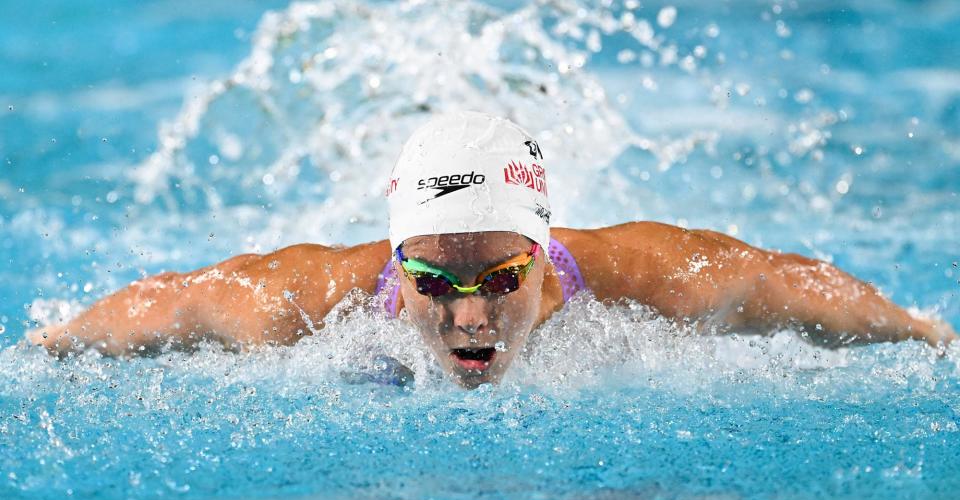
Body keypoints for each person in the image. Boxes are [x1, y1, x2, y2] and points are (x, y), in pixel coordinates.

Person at [28, 112, 956, 387]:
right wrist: (44, 349)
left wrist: (929, 334)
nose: (469, 315)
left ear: (544, 260)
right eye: (432, 280)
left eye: (501, 277)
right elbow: (173, 303)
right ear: (399, 269)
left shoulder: (652, 275)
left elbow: (794, 287)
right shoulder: (300, 301)